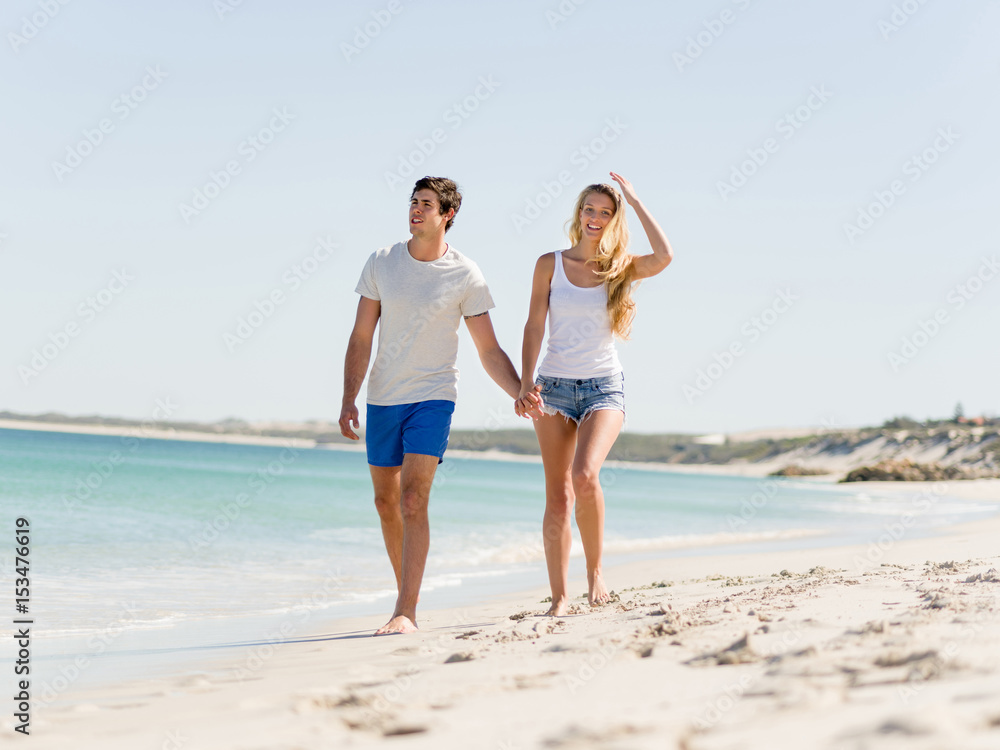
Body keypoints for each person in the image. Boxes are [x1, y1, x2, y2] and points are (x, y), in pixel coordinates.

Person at [340, 176, 542, 635]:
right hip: (383, 397)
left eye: (426, 204)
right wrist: (349, 397)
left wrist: (519, 391)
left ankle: (406, 610)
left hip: (433, 396)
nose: (416, 210)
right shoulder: (382, 262)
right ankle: (405, 596)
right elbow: (361, 336)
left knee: (413, 498)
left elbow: (488, 350)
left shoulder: (465, 274)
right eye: (413, 202)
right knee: (385, 501)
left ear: (447, 214)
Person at [517, 172, 673, 617]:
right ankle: (560, 598)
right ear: (579, 212)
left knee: (585, 475)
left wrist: (637, 201)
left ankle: (595, 573)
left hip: (604, 386)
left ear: (613, 220)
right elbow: (533, 326)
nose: (596, 218)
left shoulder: (620, 266)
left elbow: (664, 256)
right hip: (554, 388)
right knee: (557, 495)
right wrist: (526, 382)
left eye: (606, 213)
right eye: (590, 209)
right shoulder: (549, 263)